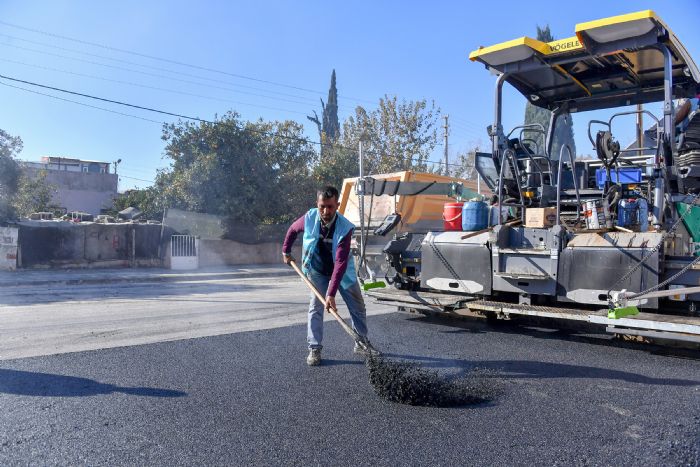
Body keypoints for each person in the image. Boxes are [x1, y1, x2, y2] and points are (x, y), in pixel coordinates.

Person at [282, 185, 378, 366]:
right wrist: (286, 251)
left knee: (358, 306)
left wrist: (331, 294)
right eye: (322, 206)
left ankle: (361, 342)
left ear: (338, 205)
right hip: (317, 271)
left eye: (330, 207)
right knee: (315, 308)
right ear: (317, 204)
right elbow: (292, 230)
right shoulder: (309, 218)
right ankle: (314, 348)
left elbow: (340, 262)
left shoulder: (345, 228)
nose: (325, 211)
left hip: (342, 272)